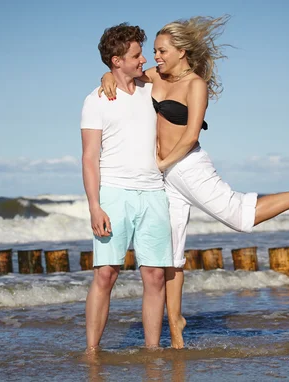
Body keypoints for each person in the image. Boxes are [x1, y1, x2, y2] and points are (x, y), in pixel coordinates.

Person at [100, 15, 289, 349]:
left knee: (241, 217)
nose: (156, 56)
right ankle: (176, 327)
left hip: (187, 167)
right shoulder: (153, 76)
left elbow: (189, 136)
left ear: (182, 51)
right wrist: (105, 77)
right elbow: (121, 72)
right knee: (168, 254)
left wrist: (161, 164)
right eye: (154, 51)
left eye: (162, 50)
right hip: (165, 178)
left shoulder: (195, 85)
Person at [81, 23, 173, 355]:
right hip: (114, 194)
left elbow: (179, 70)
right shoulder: (96, 99)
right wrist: (95, 205)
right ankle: (91, 351)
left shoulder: (153, 88)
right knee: (105, 274)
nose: (144, 59)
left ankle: (152, 351)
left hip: (153, 192)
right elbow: (90, 157)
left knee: (155, 277)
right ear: (117, 60)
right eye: (136, 55)